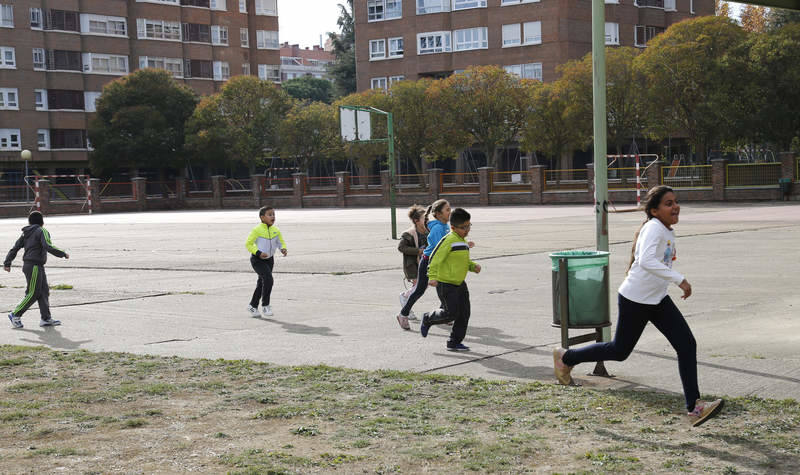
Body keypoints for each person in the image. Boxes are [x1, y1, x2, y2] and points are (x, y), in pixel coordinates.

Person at [552, 185, 723, 427]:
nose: (675, 206)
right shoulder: (654, 228)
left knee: (686, 344)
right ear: (654, 210)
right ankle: (566, 356)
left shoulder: (664, 229)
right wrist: (680, 280)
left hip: (657, 299)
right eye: (668, 203)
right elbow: (646, 261)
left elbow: (657, 262)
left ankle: (695, 407)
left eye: (676, 201)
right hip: (636, 299)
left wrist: (670, 281)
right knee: (619, 351)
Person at [419, 207, 481, 351]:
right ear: (453, 227)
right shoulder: (448, 240)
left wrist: (472, 266)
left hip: (460, 283)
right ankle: (428, 318)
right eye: (463, 227)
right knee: (451, 313)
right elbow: (434, 259)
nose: (467, 230)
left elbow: (462, 261)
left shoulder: (462, 242)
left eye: (469, 226)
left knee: (464, 313)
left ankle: (454, 342)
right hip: (446, 284)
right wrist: (432, 277)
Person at [4, 211, 69, 329]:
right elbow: (48, 245)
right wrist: (62, 253)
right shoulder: (41, 230)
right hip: (33, 265)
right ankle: (15, 314)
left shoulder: (26, 233)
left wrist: (7, 262)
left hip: (34, 266)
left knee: (44, 291)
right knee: (33, 293)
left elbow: (15, 248)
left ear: (30, 222)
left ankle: (46, 318)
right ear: (42, 222)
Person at [396, 199, 453, 327]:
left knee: (445, 289)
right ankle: (403, 314)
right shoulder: (438, 228)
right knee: (420, 290)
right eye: (447, 210)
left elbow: (449, 244)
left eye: (450, 209)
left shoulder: (445, 226)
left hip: (437, 261)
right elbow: (440, 249)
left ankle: (445, 314)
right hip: (429, 262)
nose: (450, 212)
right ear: (438, 214)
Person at [245, 206, 287, 318]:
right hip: (257, 260)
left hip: (269, 260)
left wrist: (283, 248)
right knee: (268, 279)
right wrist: (258, 252)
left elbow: (280, 242)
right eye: (270, 214)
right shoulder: (257, 230)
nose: (273, 216)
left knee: (262, 283)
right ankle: (266, 305)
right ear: (262, 217)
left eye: (274, 214)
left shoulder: (276, 230)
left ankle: (252, 306)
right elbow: (248, 244)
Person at [396, 205, 428, 330]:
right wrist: (418, 251)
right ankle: (405, 305)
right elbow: (401, 248)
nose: (426, 221)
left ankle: (405, 298)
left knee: (422, 287)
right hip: (412, 265)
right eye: (424, 218)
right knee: (418, 287)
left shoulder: (428, 231)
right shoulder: (408, 234)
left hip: (424, 263)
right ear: (416, 220)